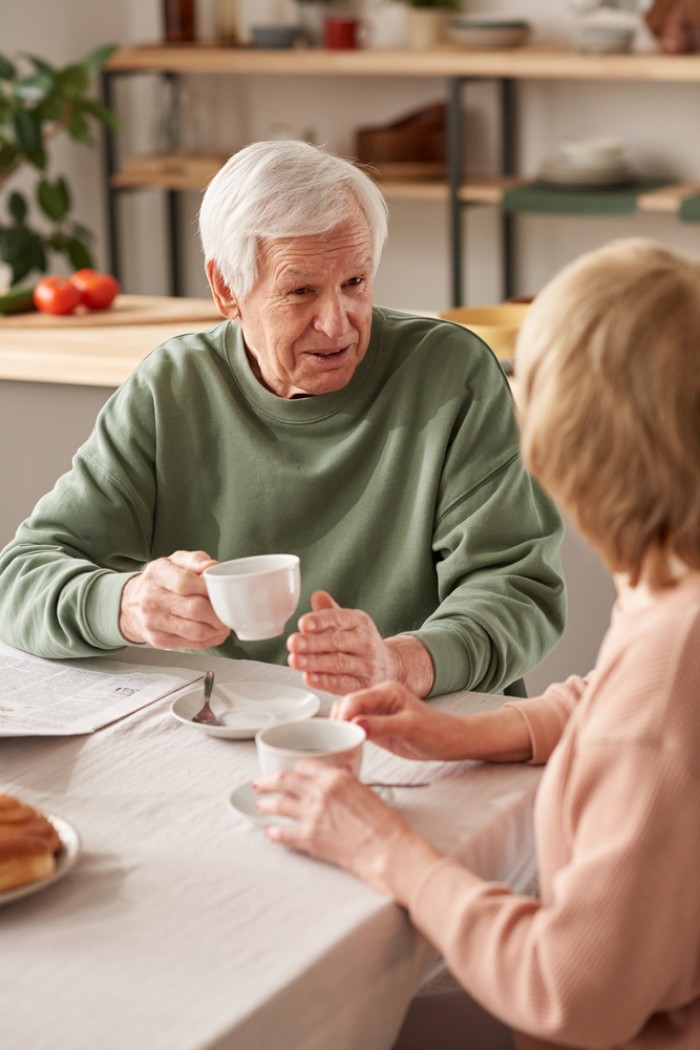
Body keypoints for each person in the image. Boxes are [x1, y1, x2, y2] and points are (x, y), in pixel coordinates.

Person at [254, 238, 700, 1049]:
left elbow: (567, 994)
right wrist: (464, 731)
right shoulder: (677, 578)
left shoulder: (669, 664)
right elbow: (621, 702)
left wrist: (385, 849)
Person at [0, 140, 565, 699]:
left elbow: (518, 593)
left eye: (355, 283)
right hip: (230, 725)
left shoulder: (450, 374)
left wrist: (402, 664)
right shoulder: (172, 389)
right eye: (301, 291)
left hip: (423, 725)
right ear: (227, 288)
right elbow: (18, 580)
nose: (338, 324)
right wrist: (126, 605)